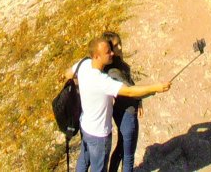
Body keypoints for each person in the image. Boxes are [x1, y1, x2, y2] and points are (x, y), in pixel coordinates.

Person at [69, 36, 170, 172]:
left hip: (85, 127)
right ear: (97, 56)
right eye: (108, 52)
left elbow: (67, 74)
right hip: (99, 135)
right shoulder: (102, 81)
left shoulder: (83, 64)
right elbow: (129, 92)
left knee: (84, 159)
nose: (112, 53)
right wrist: (156, 88)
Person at [104, 31, 141, 172]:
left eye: (120, 43)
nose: (120, 47)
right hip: (126, 113)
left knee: (121, 148)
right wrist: (155, 89)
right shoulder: (113, 71)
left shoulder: (119, 64)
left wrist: (140, 102)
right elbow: (131, 88)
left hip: (123, 111)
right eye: (115, 45)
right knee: (128, 154)